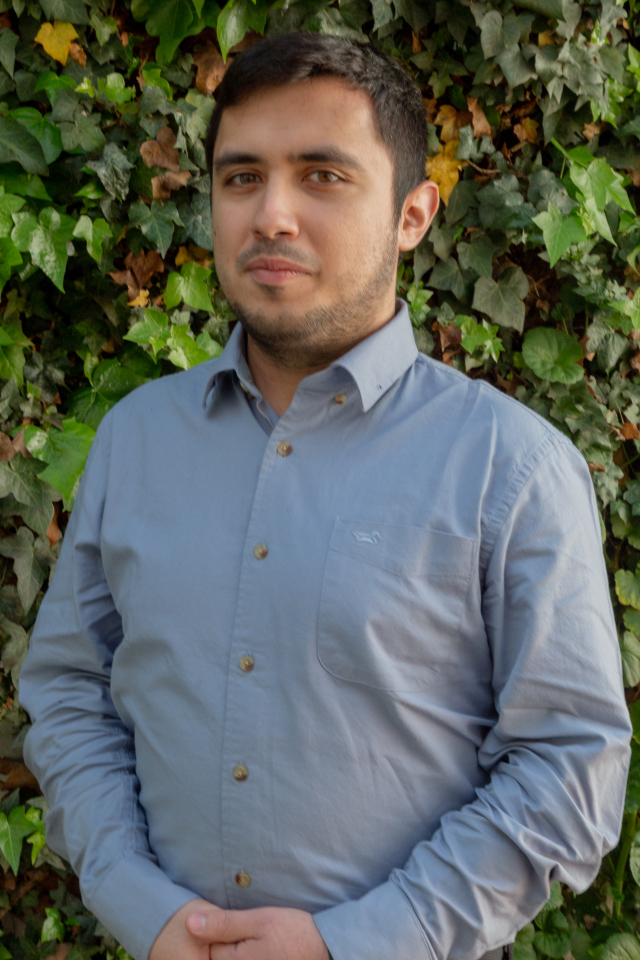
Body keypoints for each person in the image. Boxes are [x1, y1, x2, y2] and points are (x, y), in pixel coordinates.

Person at [20, 32, 631, 960]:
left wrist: (356, 943)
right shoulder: (135, 441)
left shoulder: (513, 469)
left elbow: (570, 768)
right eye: (241, 178)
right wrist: (139, 904)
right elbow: (71, 692)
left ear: (413, 215)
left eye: (323, 176)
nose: (271, 214)